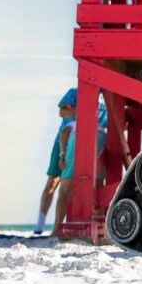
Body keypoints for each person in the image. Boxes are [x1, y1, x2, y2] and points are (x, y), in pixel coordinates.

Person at [53, 92, 109, 231]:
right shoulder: (107, 97)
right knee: (97, 188)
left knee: (65, 190)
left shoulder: (80, 95)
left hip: (80, 134)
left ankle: (56, 228)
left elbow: (63, 131)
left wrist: (62, 155)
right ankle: (101, 228)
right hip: (100, 135)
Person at [34, 88, 77, 234]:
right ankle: (40, 224)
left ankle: (57, 228)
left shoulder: (104, 99)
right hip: (62, 142)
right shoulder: (74, 91)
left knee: (69, 187)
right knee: (52, 182)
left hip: (80, 144)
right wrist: (81, 111)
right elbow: (62, 112)